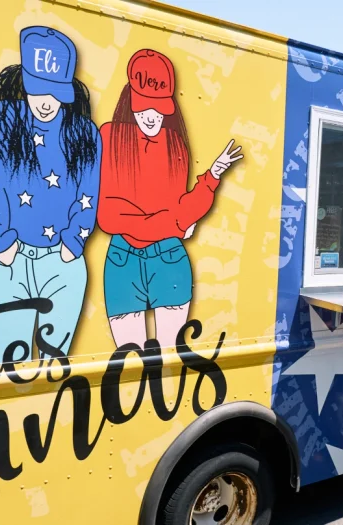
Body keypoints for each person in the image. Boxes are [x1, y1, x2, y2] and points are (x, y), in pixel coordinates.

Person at [97, 49, 243, 350]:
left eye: (159, 108)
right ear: (130, 102)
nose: (152, 116)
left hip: (169, 258)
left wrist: (211, 176)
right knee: (129, 359)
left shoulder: (175, 144)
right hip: (124, 258)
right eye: (143, 108)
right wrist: (174, 224)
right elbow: (110, 216)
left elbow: (184, 210)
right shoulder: (111, 137)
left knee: (170, 358)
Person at [0, 26, 100, 363]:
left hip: (62, 263)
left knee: (53, 366)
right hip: (11, 260)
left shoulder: (84, 133)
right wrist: (0, 242)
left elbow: (88, 193)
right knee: (9, 364)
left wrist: (73, 244)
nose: (47, 103)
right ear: (25, 83)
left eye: (56, 92)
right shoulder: (1, 121)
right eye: (38, 91)